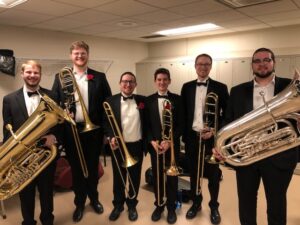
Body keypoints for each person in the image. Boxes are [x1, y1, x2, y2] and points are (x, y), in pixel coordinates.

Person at [213, 47, 299, 225]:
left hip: (279, 156)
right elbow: (228, 120)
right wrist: (220, 144)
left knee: (277, 204)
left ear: (273, 62)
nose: (262, 64)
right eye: (257, 61)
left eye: (266, 60)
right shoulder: (237, 91)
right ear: (252, 65)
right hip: (247, 156)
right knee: (246, 203)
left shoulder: (288, 86)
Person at [52, 41, 112, 222]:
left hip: (94, 131)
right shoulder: (60, 77)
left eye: (83, 53)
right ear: (71, 56)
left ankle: (94, 198)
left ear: (88, 55)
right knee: (76, 169)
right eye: (76, 53)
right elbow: (55, 104)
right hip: (72, 130)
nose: (80, 56)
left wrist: (107, 132)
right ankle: (79, 203)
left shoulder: (99, 77)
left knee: (93, 167)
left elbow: (107, 106)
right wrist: (64, 110)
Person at [2, 60, 58, 225]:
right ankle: (28, 221)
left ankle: (48, 220)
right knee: (25, 193)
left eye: (36, 73)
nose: (32, 76)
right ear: (22, 74)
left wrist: (53, 137)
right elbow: (7, 130)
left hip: (45, 153)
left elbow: (60, 124)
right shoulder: (9, 99)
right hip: (22, 157)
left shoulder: (52, 96)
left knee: (47, 192)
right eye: (29, 72)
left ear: (40, 75)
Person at [181, 54, 229, 224]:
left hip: (211, 139)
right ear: (195, 66)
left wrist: (215, 130)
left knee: (213, 175)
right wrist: (184, 137)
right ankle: (196, 203)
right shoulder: (186, 87)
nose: (203, 67)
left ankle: (214, 206)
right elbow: (184, 113)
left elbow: (226, 114)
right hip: (193, 138)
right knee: (194, 174)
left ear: (211, 66)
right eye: (200, 64)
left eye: (206, 64)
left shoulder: (221, 87)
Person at [104, 72, 146, 222]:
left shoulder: (142, 101)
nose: (128, 85)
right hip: (119, 146)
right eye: (125, 81)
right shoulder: (110, 101)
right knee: (119, 178)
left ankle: (132, 205)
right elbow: (106, 123)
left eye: (131, 82)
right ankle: (118, 205)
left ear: (135, 84)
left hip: (137, 145)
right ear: (120, 83)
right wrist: (110, 136)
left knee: (135, 178)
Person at [145, 68, 183, 224]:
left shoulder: (178, 100)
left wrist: (170, 141)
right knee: (157, 177)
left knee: (172, 178)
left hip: (171, 147)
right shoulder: (148, 101)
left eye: (165, 79)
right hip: (156, 146)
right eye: (159, 79)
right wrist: (152, 141)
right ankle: (159, 205)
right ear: (155, 81)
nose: (162, 82)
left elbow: (181, 124)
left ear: (169, 81)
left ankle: (171, 207)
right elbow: (146, 125)